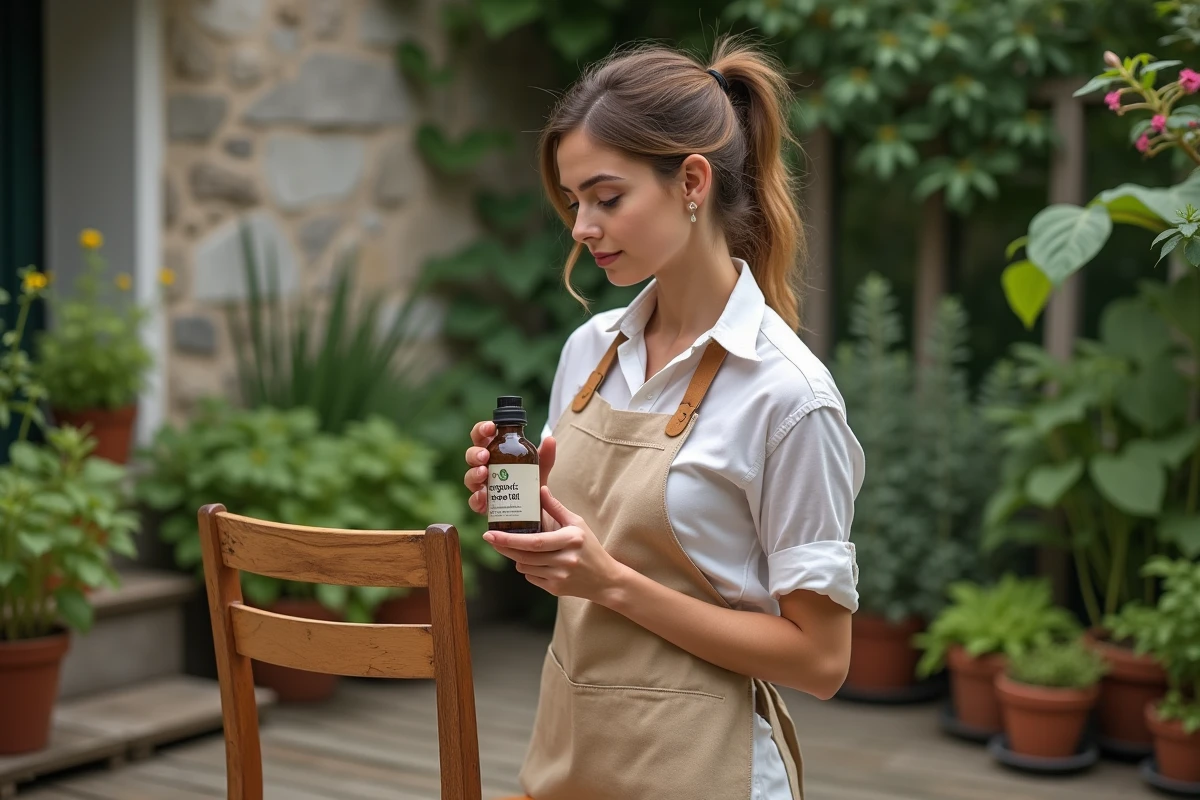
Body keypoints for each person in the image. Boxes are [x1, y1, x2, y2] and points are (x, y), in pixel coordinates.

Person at [462, 36, 864, 800]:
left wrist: (610, 582)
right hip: (572, 752)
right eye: (574, 200)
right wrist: (532, 522)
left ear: (691, 181)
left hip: (704, 768)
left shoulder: (788, 396)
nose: (582, 226)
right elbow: (580, 569)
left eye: (606, 198)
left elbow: (821, 663)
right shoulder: (590, 353)